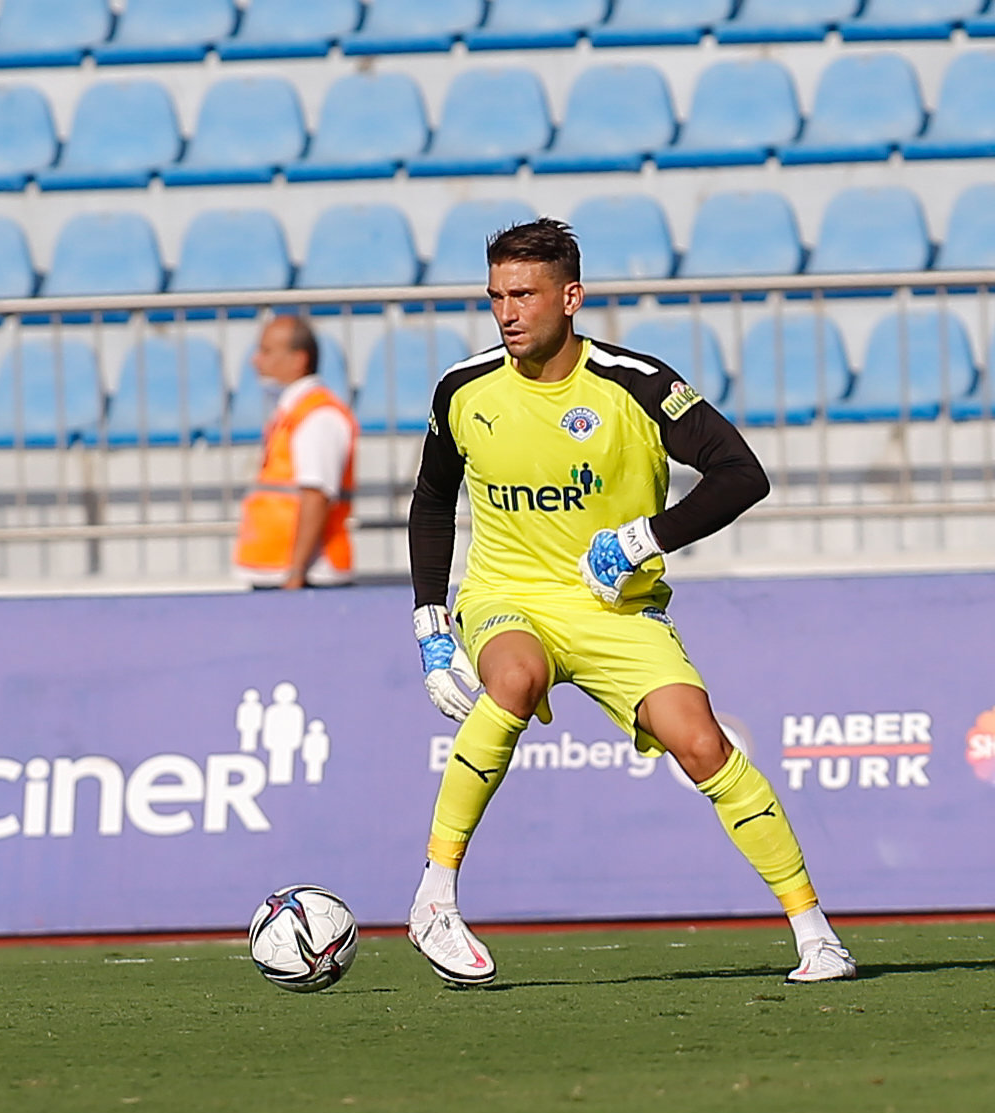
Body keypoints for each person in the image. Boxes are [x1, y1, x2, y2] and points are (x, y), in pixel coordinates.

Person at [403, 218, 856, 987]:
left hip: (615, 609)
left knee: (703, 743)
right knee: (513, 677)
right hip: (509, 594)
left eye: (524, 295)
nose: (507, 313)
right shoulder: (464, 388)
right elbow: (431, 498)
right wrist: (429, 621)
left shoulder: (635, 383)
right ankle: (434, 899)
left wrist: (646, 538)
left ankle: (816, 934)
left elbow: (741, 474)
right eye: (496, 296)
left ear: (570, 297)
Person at [233, 315, 359, 588]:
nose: (256, 360)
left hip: (309, 578)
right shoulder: (294, 412)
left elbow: (316, 495)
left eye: (266, 351)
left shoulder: (318, 416)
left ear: (298, 360)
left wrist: (296, 572)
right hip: (283, 573)